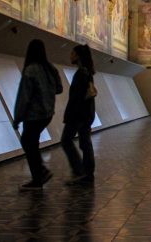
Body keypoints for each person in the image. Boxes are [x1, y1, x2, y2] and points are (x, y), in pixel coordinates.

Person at [13, 39, 63, 191]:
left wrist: (17, 117)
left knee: (28, 142)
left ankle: (39, 176)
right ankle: (39, 174)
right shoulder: (50, 68)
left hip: (33, 115)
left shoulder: (30, 70)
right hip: (47, 114)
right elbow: (59, 89)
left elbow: (24, 96)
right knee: (31, 142)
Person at [61, 44, 97, 184]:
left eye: (72, 53)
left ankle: (80, 172)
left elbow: (76, 97)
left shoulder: (81, 73)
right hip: (86, 114)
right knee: (85, 142)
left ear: (78, 56)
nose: (70, 56)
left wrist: (70, 115)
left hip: (78, 114)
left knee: (66, 140)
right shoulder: (87, 72)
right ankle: (88, 174)